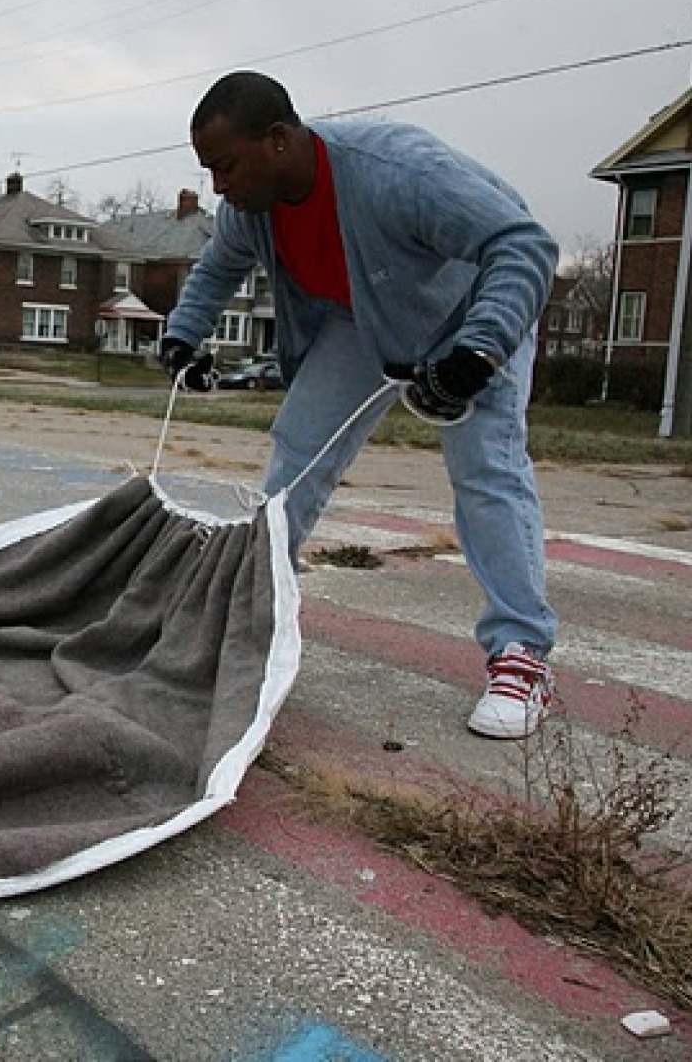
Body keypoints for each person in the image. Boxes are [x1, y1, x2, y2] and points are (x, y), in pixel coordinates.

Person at [159, 70, 558, 740]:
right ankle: (252, 617)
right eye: (208, 172)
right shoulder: (247, 210)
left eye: (223, 166)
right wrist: (181, 335)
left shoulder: (397, 170)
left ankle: (520, 654)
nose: (218, 187)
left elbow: (523, 245)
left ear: (278, 141)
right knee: (297, 450)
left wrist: (478, 351)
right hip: (360, 318)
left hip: (474, 311)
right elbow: (217, 270)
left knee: (485, 469)